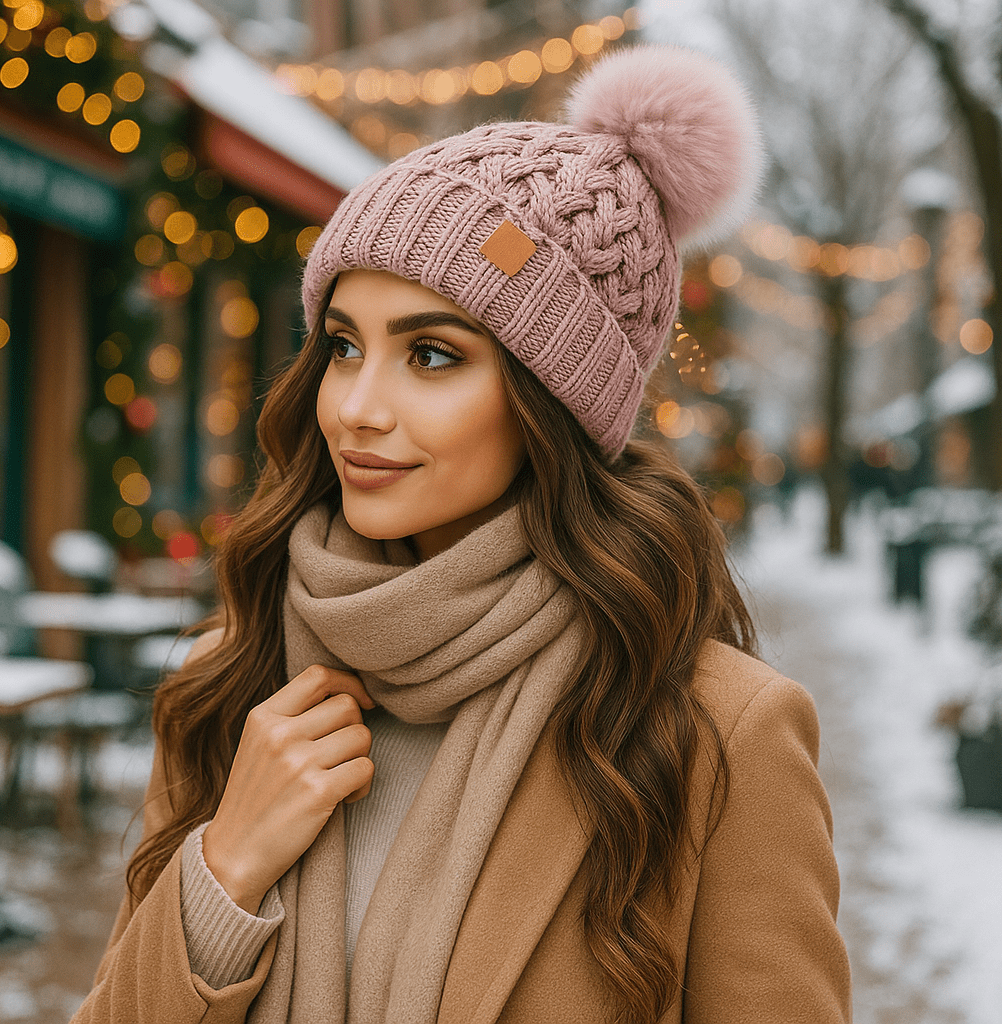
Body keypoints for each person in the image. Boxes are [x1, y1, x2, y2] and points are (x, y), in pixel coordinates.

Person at [72, 43, 851, 1024]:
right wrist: (224, 871)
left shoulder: (713, 735)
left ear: (551, 401)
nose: (354, 406)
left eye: (431, 355)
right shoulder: (236, 679)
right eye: (343, 345)